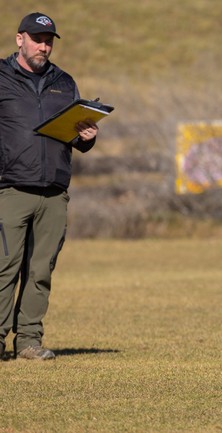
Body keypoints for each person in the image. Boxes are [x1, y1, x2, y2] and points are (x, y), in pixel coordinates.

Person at [0, 12, 98, 360]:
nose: (44, 47)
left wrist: (87, 137)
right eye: (38, 40)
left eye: (49, 41)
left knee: (41, 270)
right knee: (3, 267)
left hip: (54, 192)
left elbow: (76, 137)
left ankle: (29, 341)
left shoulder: (64, 82)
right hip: (10, 190)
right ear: (20, 39)